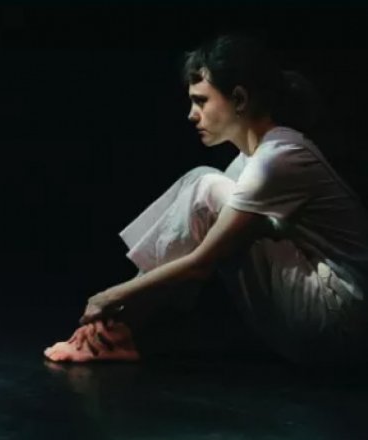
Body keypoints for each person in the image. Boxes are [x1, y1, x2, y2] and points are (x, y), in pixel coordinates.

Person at [44, 35, 368, 367]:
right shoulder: (247, 165)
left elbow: (201, 262)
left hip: (339, 317)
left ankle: (115, 333)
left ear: (239, 99)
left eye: (200, 101)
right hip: (321, 325)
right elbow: (198, 248)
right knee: (205, 190)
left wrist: (110, 296)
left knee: (204, 185)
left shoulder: (279, 158)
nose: (191, 115)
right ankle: (114, 333)